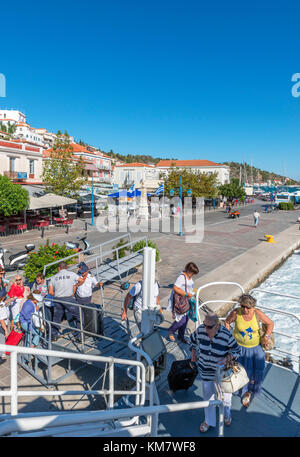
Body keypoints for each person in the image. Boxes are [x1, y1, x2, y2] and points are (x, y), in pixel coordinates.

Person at [189, 312, 241, 432]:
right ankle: (209, 421)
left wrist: (226, 358)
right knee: (208, 398)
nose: (206, 329)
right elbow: (191, 341)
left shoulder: (226, 335)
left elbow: (237, 351)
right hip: (205, 371)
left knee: (226, 398)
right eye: (204, 325)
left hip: (222, 374)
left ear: (217, 325)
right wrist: (193, 353)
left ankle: (227, 415)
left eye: (209, 327)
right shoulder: (200, 330)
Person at [225, 293, 274, 408]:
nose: (245, 309)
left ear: (253, 307)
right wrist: (228, 337)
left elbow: (270, 323)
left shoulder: (257, 313)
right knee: (240, 370)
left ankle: (249, 392)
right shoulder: (236, 313)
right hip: (239, 348)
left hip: (255, 348)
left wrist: (266, 337)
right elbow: (227, 322)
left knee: (256, 371)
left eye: (248, 307)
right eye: (242, 306)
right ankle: (240, 389)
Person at [48, 261, 81, 342]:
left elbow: (50, 292)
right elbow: (81, 280)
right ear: (66, 267)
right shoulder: (72, 274)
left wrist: (57, 294)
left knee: (56, 318)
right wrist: (75, 286)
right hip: (69, 298)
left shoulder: (53, 277)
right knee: (79, 315)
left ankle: (54, 335)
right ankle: (80, 335)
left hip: (58, 299)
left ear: (58, 268)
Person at [168, 262, 199, 344]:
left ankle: (180, 336)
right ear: (189, 270)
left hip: (187, 300)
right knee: (181, 320)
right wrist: (186, 293)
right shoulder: (181, 277)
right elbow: (175, 288)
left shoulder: (189, 277)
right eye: (192, 273)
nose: (193, 275)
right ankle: (171, 330)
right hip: (181, 301)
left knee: (186, 320)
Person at [0, 289, 9, 364]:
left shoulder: (1, 303)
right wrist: (6, 330)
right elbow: (2, 320)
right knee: (2, 339)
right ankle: (1, 355)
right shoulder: (1, 306)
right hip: (2, 326)